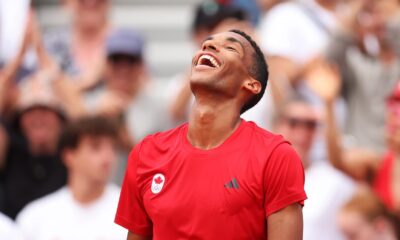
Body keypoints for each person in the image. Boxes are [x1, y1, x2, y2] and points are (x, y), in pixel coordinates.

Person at [115, 30, 306, 239]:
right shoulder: (146, 153)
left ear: (251, 84)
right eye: (207, 44)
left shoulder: (276, 157)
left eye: (231, 48)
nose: (209, 47)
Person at [16, 116, 126, 240]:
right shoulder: (35, 217)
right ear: (69, 156)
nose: (108, 157)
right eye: (96, 147)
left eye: (113, 148)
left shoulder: (132, 213)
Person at [273, 95, 355, 240]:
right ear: (275, 126)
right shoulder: (256, 178)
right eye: (293, 123)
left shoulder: (336, 182)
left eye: (310, 125)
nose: (302, 133)